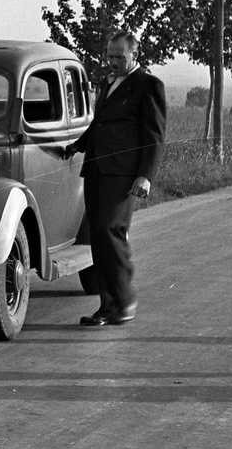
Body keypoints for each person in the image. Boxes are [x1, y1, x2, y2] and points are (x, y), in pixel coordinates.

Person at [64, 31, 166, 326]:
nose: (112, 62)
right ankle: (107, 306)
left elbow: (155, 136)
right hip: (96, 168)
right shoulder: (106, 83)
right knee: (98, 236)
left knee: (111, 231)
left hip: (123, 173)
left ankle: (125, 301)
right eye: (109, 56)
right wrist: (77, 146)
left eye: (119, 57)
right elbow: (100, 124)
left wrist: (146, 176)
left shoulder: (148, 86)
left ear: (135, 55)